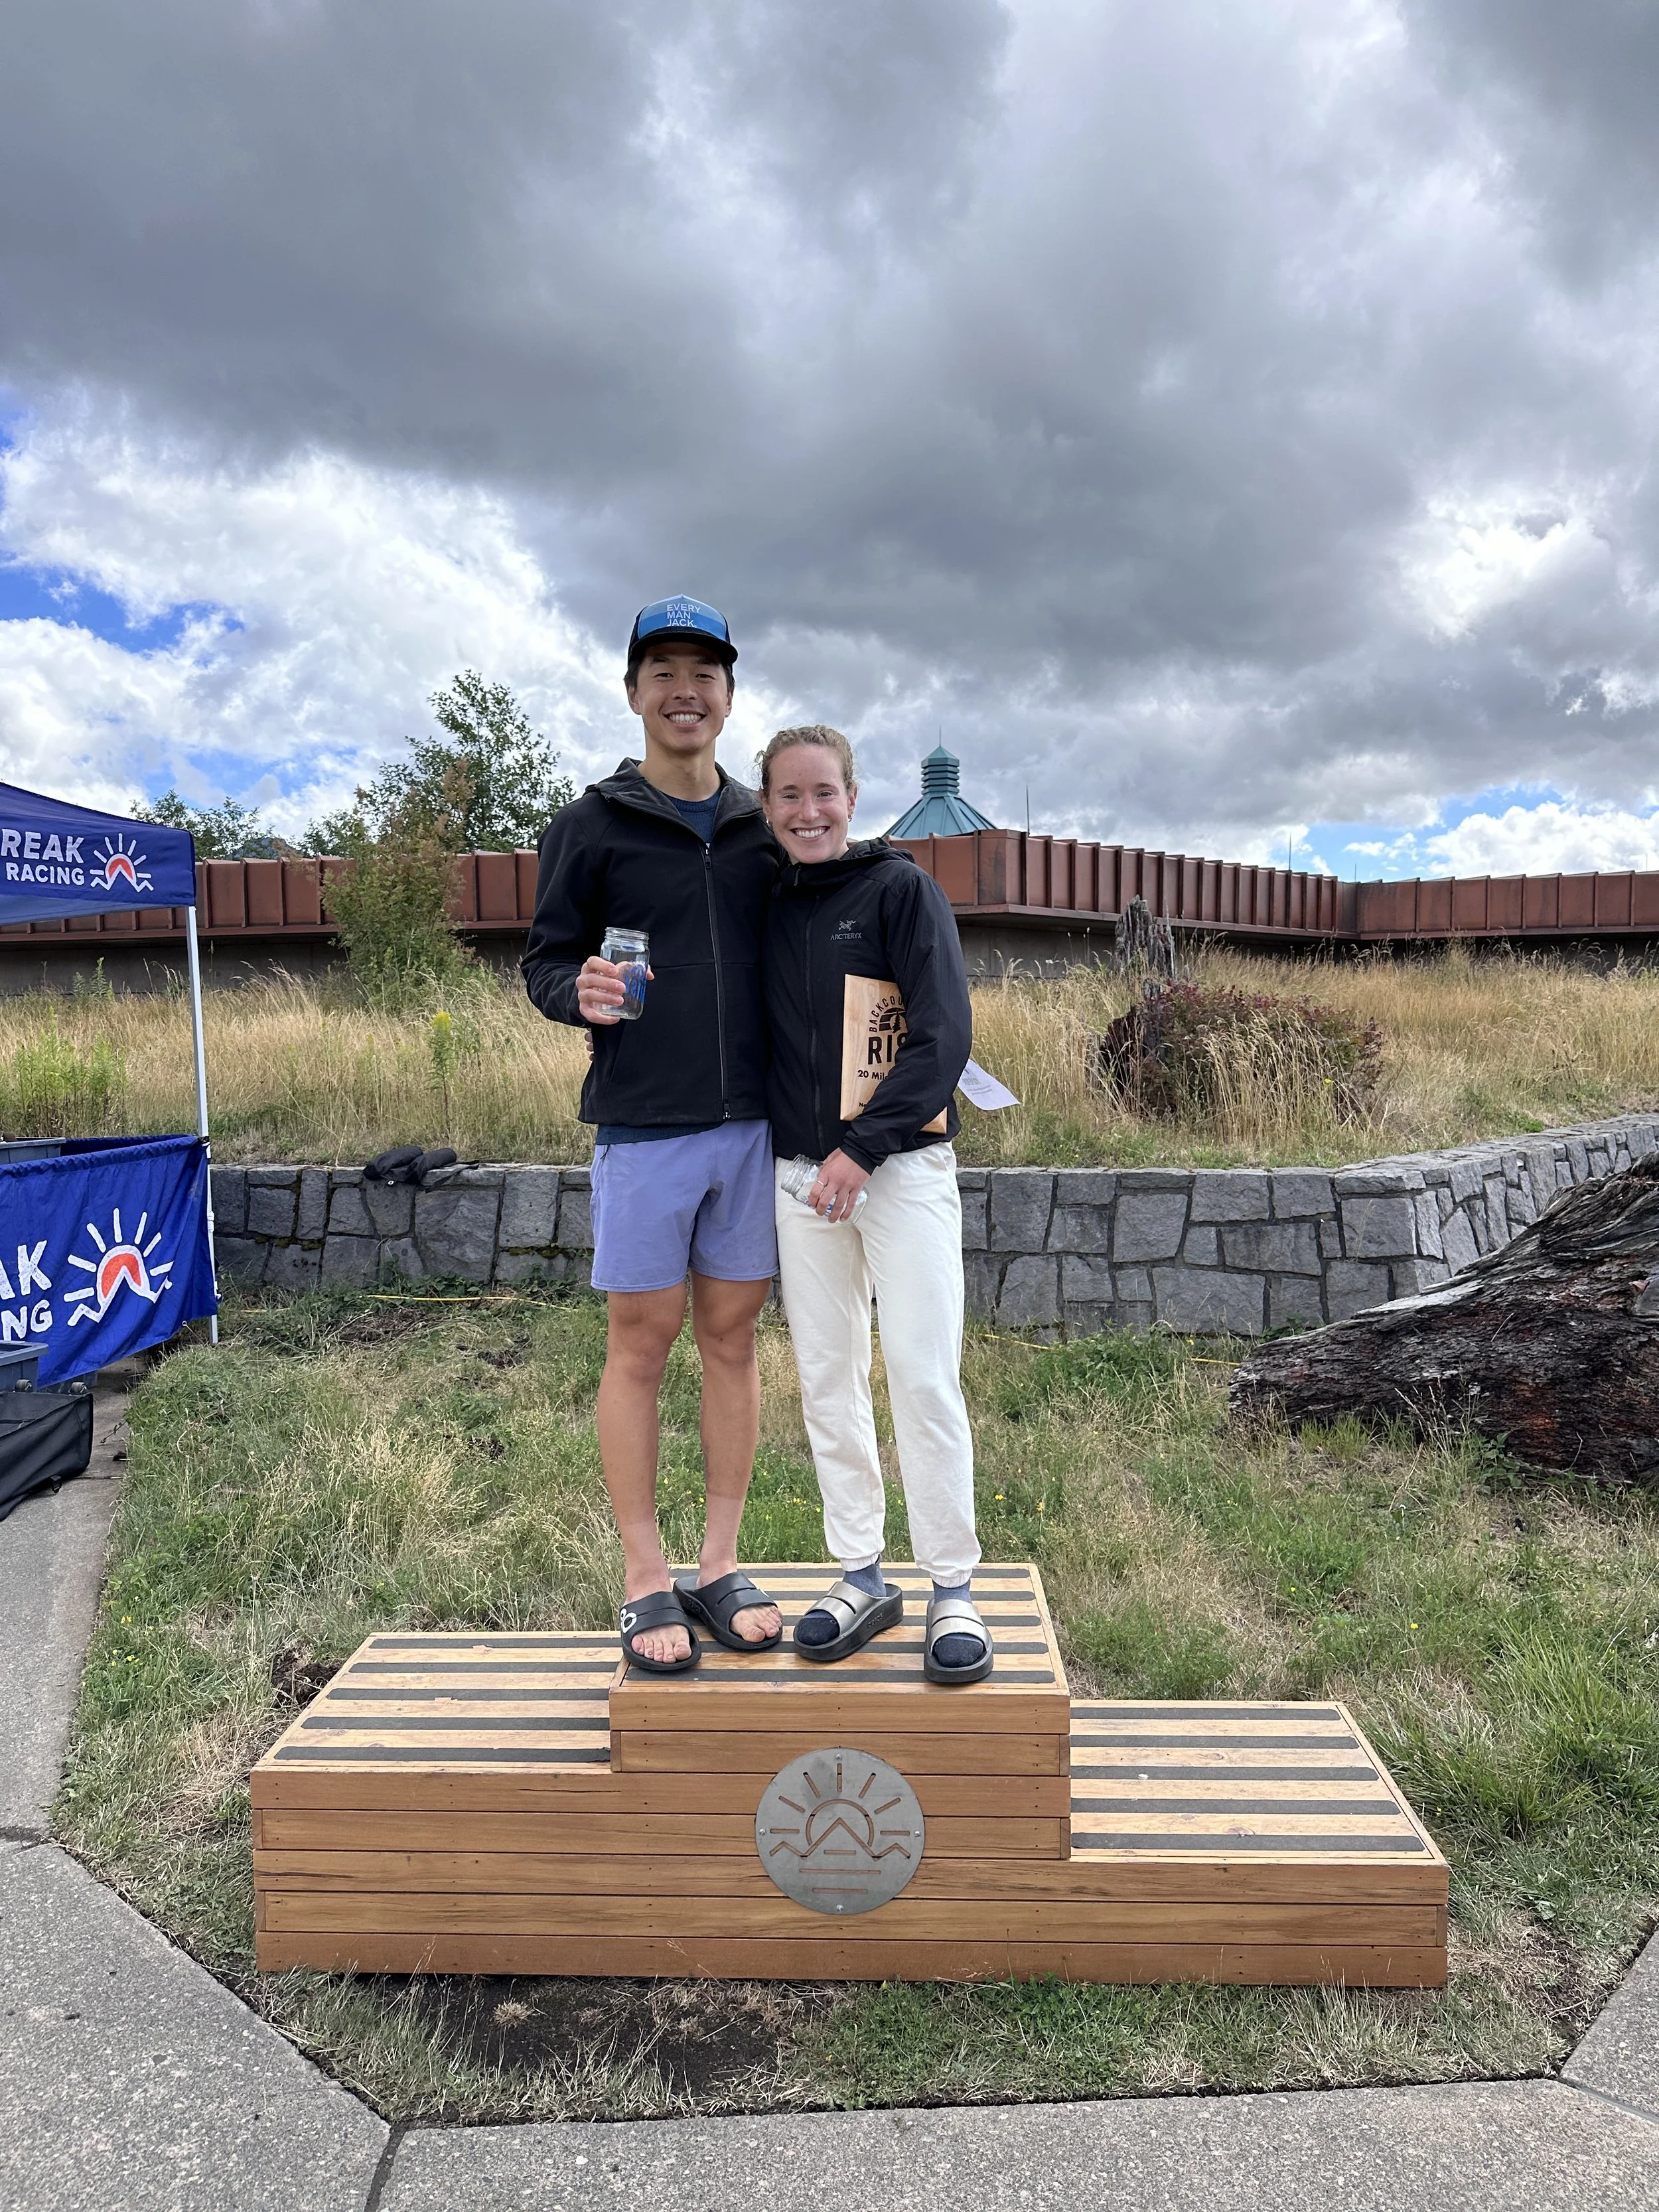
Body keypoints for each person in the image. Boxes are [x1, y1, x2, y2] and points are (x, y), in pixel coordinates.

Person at [522, 596, 783, 1674]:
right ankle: (643, 1575)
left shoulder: (767, 826)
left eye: (706, 672)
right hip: (645, 1129)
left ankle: (718, 1562)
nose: (686, 689)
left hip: (757, 1127)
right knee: (642, 1345)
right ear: (633, 692)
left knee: (733, 1344)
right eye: (663, 670)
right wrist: (573, 991)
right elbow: (543, 963)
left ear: (728, 697)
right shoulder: (590, 824)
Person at [758, 724, 991, 1682]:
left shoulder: (900, 889)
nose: (808, 812)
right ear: (766, 808)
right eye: (788, 796)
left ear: (853, 799)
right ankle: (860, 1572)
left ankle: (952, 1588)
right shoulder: (763, 902)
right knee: (827, 1376)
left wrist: (861, 1148)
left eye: (824, 793)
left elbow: (945, 1039)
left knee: (923, 1374)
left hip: (899, 1170)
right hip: (797, 1178)